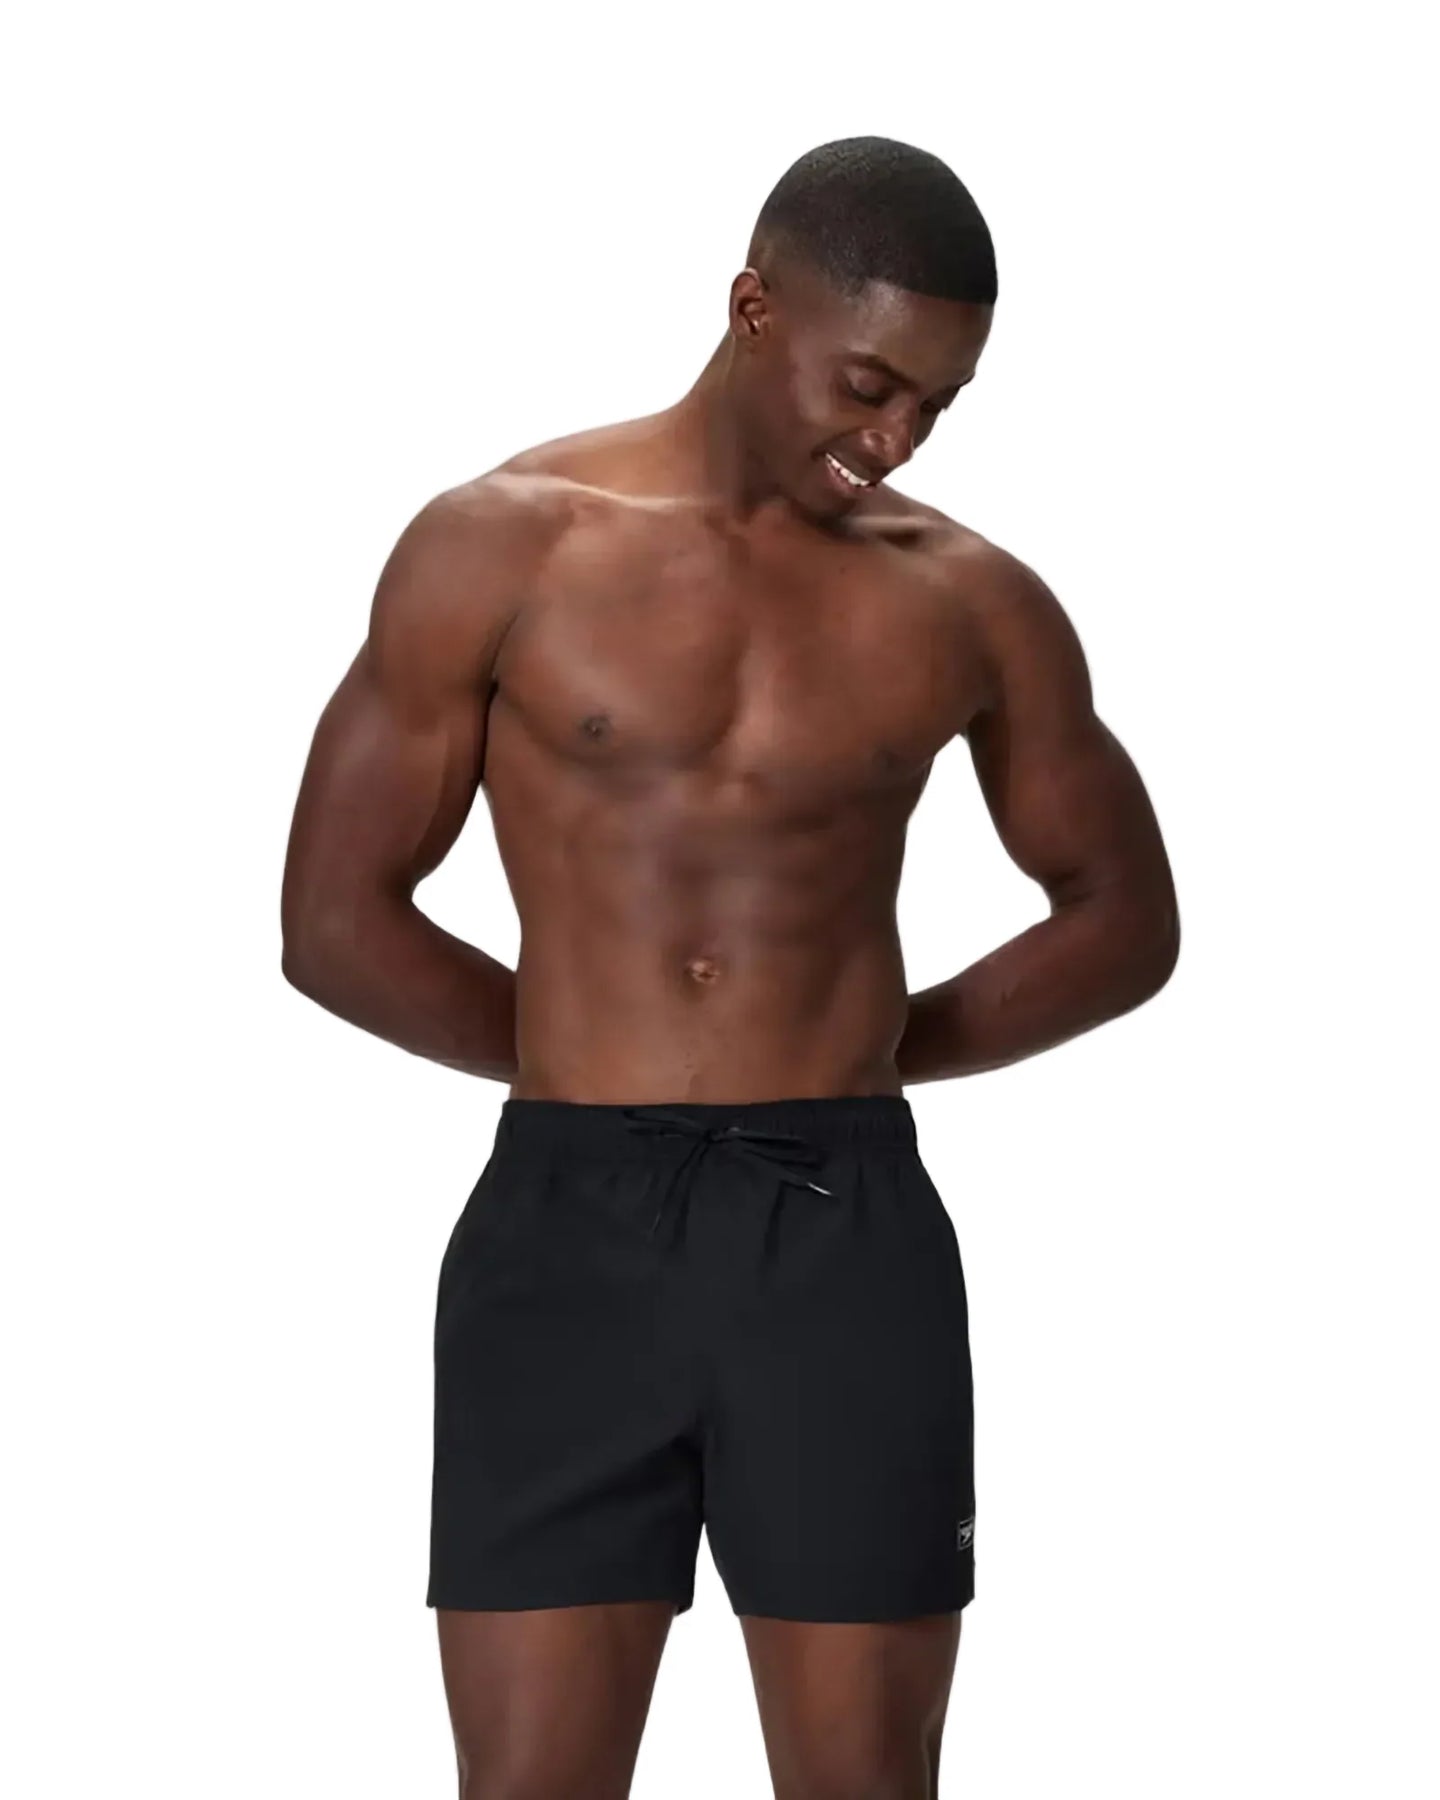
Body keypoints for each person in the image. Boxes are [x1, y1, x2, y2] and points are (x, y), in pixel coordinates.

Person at [280, 134, 1179, 1800]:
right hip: (564, 1227)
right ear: (755, 307)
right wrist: (581, 1058)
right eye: (870, 385)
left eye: (938, 405)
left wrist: (862, 1051)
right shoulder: (504, 544)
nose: (894, 439)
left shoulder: (972, 600)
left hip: (843, 1231)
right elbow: (336, 921)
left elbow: (1122, 916)